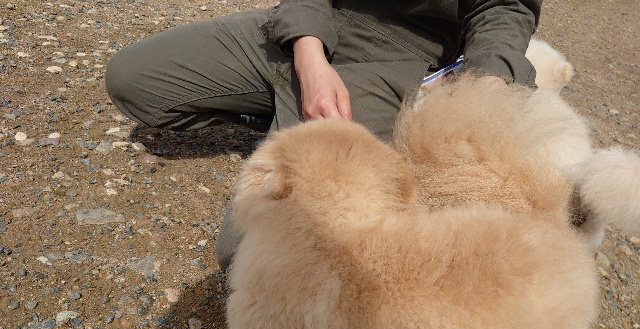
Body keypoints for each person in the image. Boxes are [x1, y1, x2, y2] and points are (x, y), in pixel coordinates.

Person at [105, 0, 543, 271]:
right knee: (132, 79)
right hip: (312, 22)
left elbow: (506, 8)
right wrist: (309, 57)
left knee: (248, 258)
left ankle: (339, 120)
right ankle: (281, 113)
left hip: (402, 57)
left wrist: (487, 81)